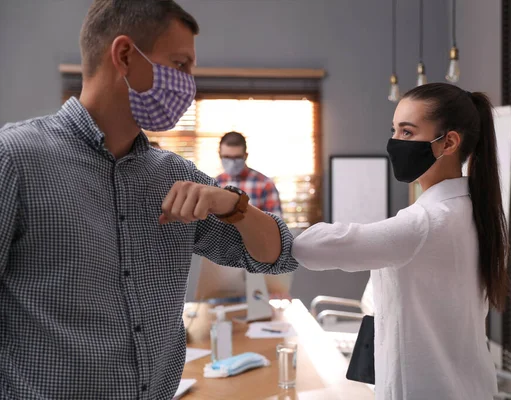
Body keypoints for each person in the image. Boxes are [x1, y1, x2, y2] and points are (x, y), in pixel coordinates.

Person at [0, 1, 297, 399]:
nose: (189, 84)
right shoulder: (15, 158)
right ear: (124, 55)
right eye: (180, 64)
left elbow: (277, 255)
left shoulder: (177, 176)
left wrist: (231, 204)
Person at [293, 83, 508, 399]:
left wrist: (238, 210)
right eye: (394, 130)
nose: (394, 142)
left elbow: (323, 246)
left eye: (407, 132)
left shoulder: (427, 222)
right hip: (469, 385)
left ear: (448, 142)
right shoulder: (472, 209)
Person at [216, 131, 283, 217]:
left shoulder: (265, 184)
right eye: (227, 157)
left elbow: (276, 226)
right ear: (220, 155)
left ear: (245, 156)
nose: (232, 163)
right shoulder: (214, 184)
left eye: (237, 157)